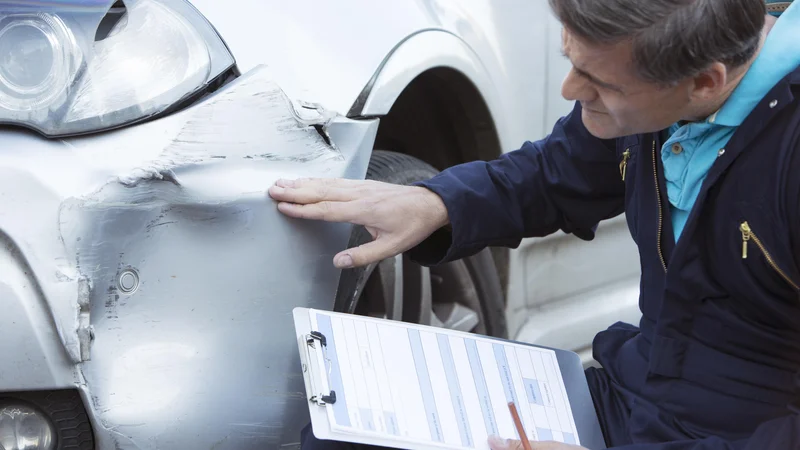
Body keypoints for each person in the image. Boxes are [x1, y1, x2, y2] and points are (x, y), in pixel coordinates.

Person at [269, 0, 800, 448]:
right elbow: (559, 172)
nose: (570, 90)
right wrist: (434, 203)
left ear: (705, 82)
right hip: (632, 402)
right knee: (348, 430)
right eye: (570, 61)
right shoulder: (660, 88)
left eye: (598, 82)